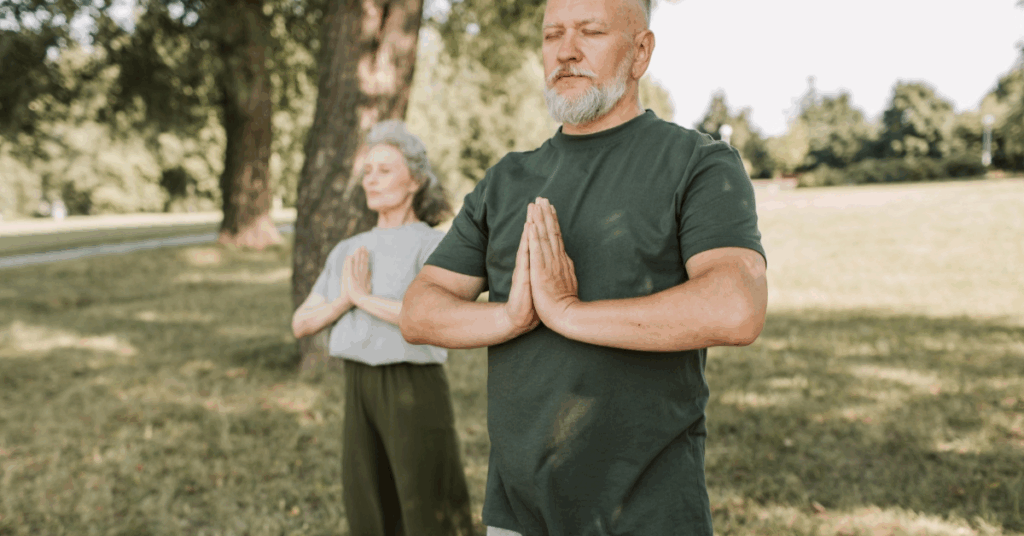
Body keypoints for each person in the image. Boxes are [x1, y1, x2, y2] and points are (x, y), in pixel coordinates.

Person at [399, 0, 768, 534]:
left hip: (647, 515)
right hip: (516, 515)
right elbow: (419, 310)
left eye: (590, 32)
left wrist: (570, 314)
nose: (566, 52)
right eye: (552, 36)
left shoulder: (698, 162)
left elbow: (737, 307)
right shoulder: (505, 180)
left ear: (640, 52)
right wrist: (511, 318)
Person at [291, 120, 475, 536]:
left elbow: (433, 318)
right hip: (359, 386)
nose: (371, 180)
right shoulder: (347, 249)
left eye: (385, 170)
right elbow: (302, 323)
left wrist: (362, 300)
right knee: (367, 497)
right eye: (368, 171)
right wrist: (345, 297)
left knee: (426, 497)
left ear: (415, 180)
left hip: (414, 385)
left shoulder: (432, 245)